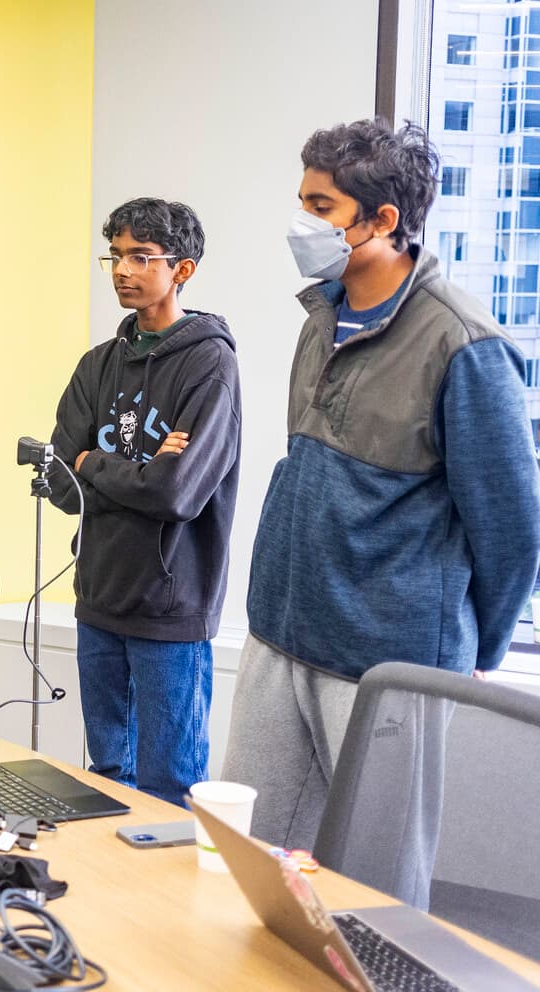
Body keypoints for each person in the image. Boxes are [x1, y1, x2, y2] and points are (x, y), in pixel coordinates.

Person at [222, 119, 540, 851]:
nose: (303, 223)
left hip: (389, 663)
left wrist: (469, 657)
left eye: (321, 206)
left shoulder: (463, 344)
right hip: (280, 633)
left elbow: (513, 533)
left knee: (374, 885)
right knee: (252, 864)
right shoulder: (319, 318)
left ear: (383, 220)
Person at [47, 198, 241, 806]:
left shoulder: (210, 363)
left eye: (140, 257)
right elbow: (58, 479)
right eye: (115, 256)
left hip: (170, 609)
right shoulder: (98, 364)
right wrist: (136, 469)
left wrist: (93, 464)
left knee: (171, 784)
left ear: (181, 270)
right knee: (107, 775)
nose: (122, 270)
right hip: (98, 599)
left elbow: (177, 493)